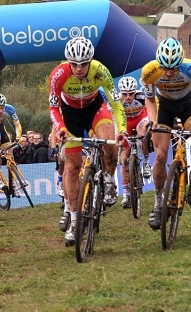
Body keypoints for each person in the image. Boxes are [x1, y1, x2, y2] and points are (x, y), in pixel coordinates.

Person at [48, 36, 126, 245]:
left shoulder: (100, 71)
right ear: (68, 62)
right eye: (74, 64)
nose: (79, 68)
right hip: (70, 114)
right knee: (72, 168)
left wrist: (123, 131)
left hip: (95, 109)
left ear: (90, 61)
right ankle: (74, 220)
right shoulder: (58, 74)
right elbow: (53, 108)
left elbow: (117, 104)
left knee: (108, 139)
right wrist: (61, 128)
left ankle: (109, 181)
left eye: (84, 64)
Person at [140, 37, 191, 230]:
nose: (168, 73)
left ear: (180, 62)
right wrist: (152, 120)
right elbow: (149, 100)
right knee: (160, 155)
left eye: (173, 68)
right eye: (164, 68)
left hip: (188, 105)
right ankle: (158, 204)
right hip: (163, 105)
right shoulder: (149, 71)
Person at [116, 76, 152, 209]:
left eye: (131, 93)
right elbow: (112, 117)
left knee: (143, 134)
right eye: (124, 94)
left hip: (140, 120)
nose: (128, 97)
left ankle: (147, 163)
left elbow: (150, 110)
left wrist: (147, 125)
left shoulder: (142, 96)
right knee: (124, 160)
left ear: (135, 91)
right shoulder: (117, 100)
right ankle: (126, 193)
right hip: (125, 123)